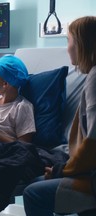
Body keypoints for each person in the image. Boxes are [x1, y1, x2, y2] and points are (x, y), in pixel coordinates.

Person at [23, 16, 96, 215]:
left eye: (69, 41)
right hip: (88, 169)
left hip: (92, 179)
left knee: (32, 192)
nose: (67, 48)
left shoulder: (95, 78)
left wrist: (61, 170)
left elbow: (93, 141)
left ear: (82, 44)